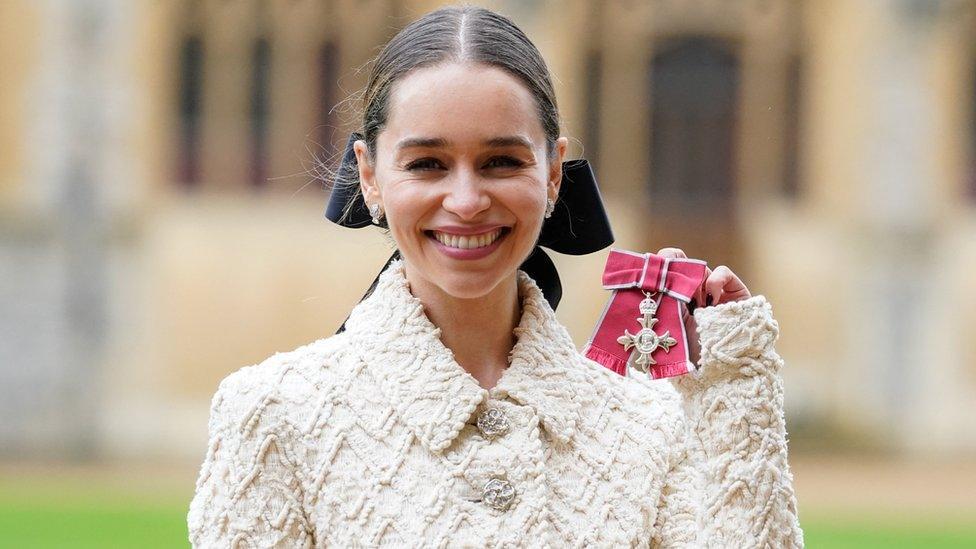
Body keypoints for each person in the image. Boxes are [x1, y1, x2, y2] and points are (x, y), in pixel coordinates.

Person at [187, 5, 804, 547]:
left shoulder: (651, 427)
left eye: (501, 162)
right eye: (427, 163)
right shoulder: (272, 415)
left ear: (555, 173)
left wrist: (733, 391)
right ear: (369, 176)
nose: (466, 200)